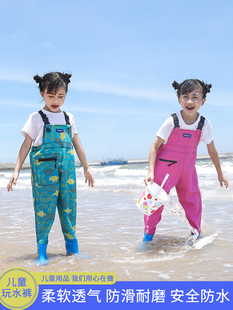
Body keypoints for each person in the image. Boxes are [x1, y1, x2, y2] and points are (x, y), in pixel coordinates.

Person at [7, 72, 95, 264]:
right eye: (51, 95)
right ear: (42, 93)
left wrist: (86, 168)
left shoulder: (68, 117)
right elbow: (26, 146)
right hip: (43, 173)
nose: (55, 100)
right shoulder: (36, 118)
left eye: (60, 96)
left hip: (68, 172)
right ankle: (42, 252)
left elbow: (77, 143)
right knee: (44, 211)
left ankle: (73, 250)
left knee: (69, 209)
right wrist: (16, 171)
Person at [143, 79, 229, 242]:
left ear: (203, 101)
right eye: (185, 96)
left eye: (195, 97)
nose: (190, 101)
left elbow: (212, 150)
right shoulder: (172, 121)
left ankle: (196, 236)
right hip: (165, 169)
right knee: (154, 202)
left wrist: (220, 174)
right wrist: (151, 172)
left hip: (187, 171)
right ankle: (147, 238)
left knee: (193, 203)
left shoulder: (204, 124)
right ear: (179, 99)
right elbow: (154, 147)